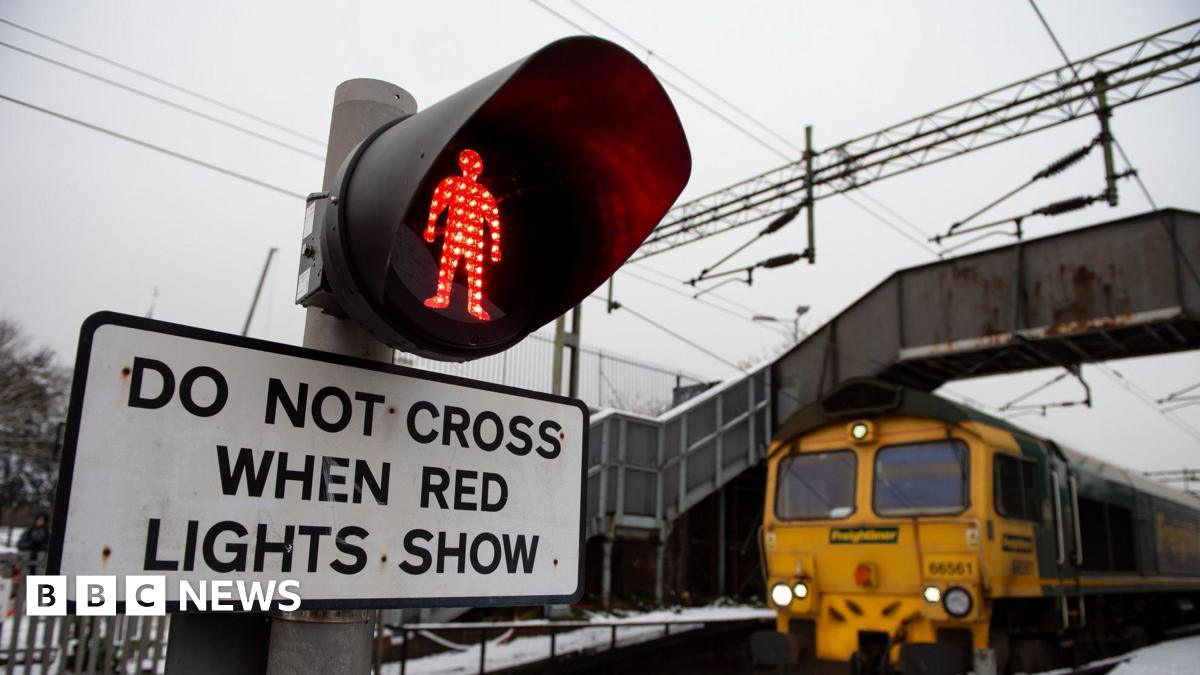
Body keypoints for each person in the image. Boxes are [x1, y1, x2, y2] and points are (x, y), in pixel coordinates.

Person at [422, 148, 502, 321]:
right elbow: (437, 204)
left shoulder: (482, 194)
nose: (472, 168)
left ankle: (473, 305)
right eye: (469, 164)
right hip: (455, 237)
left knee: (473, 273)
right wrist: (430, 227)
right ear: (462, 164)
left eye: (474, 165)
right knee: (449, 269)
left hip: (473, 241)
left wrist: (496, 247)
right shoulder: (454, 184)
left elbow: (493, 222)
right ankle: (444, 297)